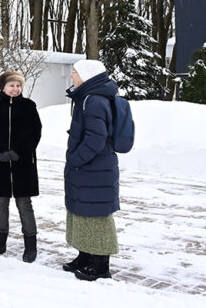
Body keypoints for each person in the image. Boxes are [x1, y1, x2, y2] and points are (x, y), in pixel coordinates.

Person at [63, 59, 120, 281]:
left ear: (86, 76)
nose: (72, 76)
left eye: (75, 72)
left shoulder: (93, 101)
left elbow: (96, 139)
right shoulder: (87, 98)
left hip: (94, 169)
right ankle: (85, 256)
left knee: (96, 216)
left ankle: (100, 265)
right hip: (89, 170)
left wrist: (76, 159)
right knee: (83, 213)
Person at [0, 71, 42, 262]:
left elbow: (35, 133)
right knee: (0, 203)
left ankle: (30, 246)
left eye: (18, 86)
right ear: (3, 87)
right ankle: (0, 242)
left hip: (23, 164)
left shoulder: (29, 106)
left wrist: (19, 151)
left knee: (24, 204)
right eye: (11, 85)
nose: (15, 89)